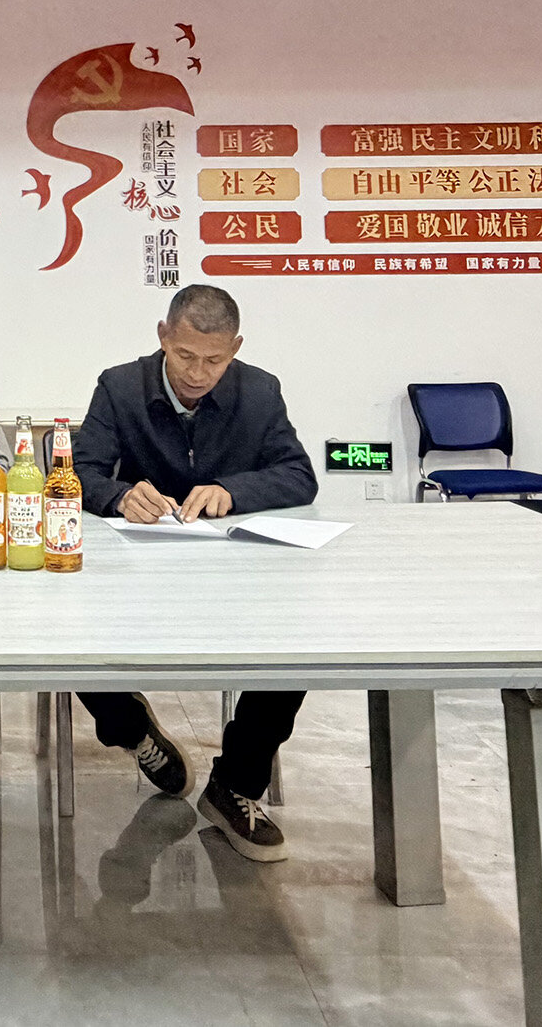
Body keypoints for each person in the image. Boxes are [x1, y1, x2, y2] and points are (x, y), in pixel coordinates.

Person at [73, 284, 318, 862]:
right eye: (185, 355)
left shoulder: (259, 391)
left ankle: (235, 786)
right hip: (136, 566)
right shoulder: (120, 387)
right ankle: (132, 729)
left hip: (230, 572)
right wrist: (119, 496)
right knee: (65, 629)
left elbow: (298, 476)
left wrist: (233, 490)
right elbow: (78, 472)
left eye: (214, 360)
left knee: (294, 645)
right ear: (163, 336)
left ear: (235, 348)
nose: (198, 373)